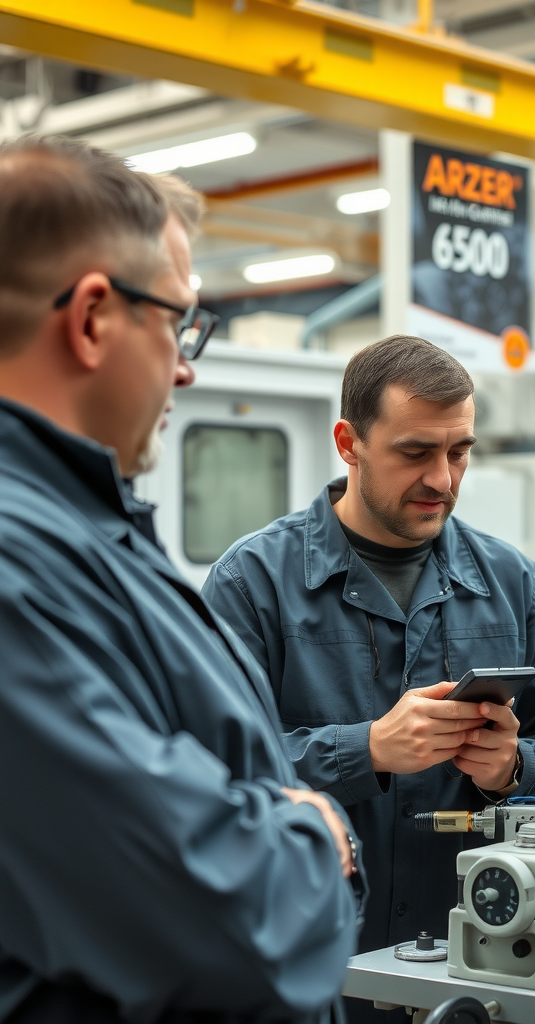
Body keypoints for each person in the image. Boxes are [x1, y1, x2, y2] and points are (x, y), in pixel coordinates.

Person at [0, 135, 363, 1024]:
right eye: (178, 321)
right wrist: (316, 835)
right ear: (91, 319)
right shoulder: (20, 562)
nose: (188, 364)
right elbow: (233, 924)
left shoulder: (87, 530)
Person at [201, 336, 535, 1014]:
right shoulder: (252, 583)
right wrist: (366, 749)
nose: (443, 477)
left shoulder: (515, 582)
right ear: (349, 442)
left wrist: (513, 768)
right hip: (311, 965)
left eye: (459, 451)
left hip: (480, 965)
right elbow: (210, 771)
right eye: (415, 452)